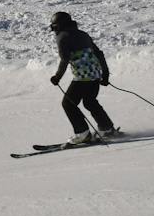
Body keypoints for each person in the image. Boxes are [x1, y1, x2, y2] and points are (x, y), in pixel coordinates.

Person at [47, 11, 116, 144]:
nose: (54, 30)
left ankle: (82, 133)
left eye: (54, 27)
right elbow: (99, 53)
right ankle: (107, 129)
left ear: (59, 26)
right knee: (90, 102)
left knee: (68, 104)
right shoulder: (83, 34)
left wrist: (57, 77)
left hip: (83, 77)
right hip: (95, 74)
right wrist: (105, 74)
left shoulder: (62, 37)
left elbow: (64, 59)